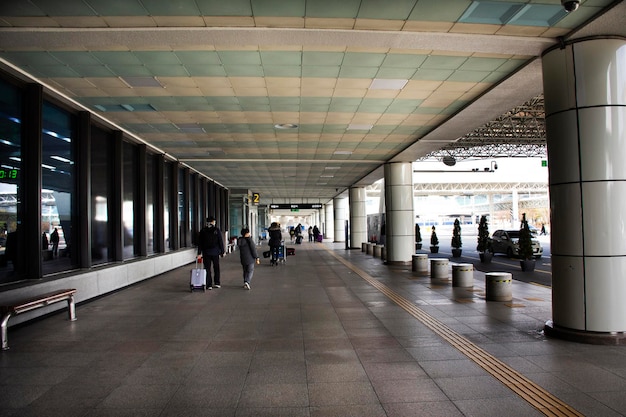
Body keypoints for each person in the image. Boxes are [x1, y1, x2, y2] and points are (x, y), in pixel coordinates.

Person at [197, 216, 225, 289]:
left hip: (206, 252)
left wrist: (199, 253)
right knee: (216, 268)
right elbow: (220, 241)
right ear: (212, 222)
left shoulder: (203, 230)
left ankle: (209, 284)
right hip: (215, 252)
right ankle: (217, 283)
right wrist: (223, 251)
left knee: (207, 268)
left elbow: (200, 243)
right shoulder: (216, 230)